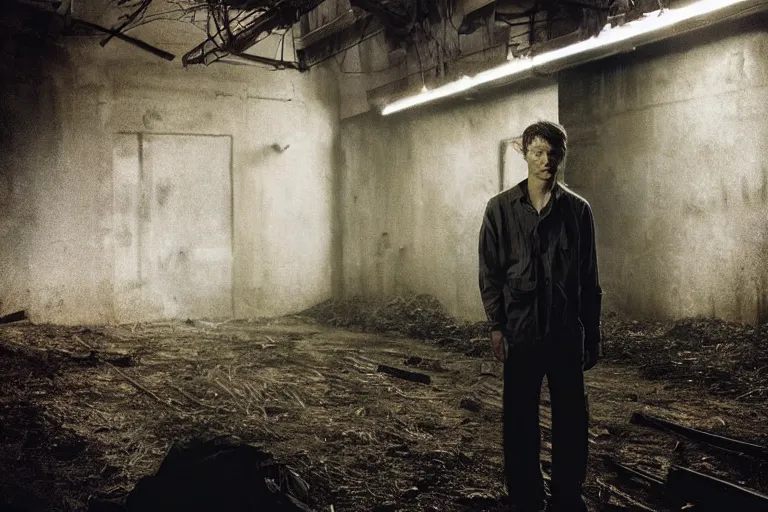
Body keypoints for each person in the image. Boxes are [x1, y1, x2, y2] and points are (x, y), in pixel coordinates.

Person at [478, 121, 602, 512]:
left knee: (570, 421)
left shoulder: (578, 211)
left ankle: (567, 495)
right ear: (524, 154)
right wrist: (496, 326)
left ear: (562, 156)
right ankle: (526, 497)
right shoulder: (500, 209)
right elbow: (490, 273)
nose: (546, 161)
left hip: (565, 335)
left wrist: (592, 333)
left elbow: (588, 278)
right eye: (538, 152)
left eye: (553, 153)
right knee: (519, 421)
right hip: (521, 334)